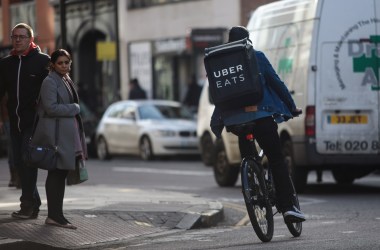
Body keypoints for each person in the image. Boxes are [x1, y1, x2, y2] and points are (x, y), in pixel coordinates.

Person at [210, 26, 305, 223]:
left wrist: (219, 122)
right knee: (276, 160)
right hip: (261, 117)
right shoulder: (256, 56)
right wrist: (291, 106)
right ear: (247, 40)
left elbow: (219, 95)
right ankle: (288, 208)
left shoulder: (220, 64)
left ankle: (254, 189)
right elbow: (276, 83)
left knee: (249, 155)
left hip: (236, 123)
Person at [32, 49, 87, 229]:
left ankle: (57, 215)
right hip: (55, 136)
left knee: (61, 173)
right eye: (60, 63)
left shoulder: (66, 79)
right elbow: (51, 108)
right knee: (56, 173)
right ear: (53, 65)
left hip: (66, 134)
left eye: (67, 62)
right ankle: (54, 216)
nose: (64, 65)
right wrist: (74, 108)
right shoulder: (50, 81)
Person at [0, 23, 50, 219]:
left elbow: (51, 91)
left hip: (34, 122)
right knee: (21, 162)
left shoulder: (43, 61)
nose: (18, 40)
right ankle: (33, 203)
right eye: (15, 37)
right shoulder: (5, 64)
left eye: (22, 36)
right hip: (14, 122)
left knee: (28, 160)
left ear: (31, 39)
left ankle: (27, 206)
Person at [0, 95, 20, 188]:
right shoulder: (6, 82)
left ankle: (19, 176)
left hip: (20, 117)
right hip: (8, 118)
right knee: (12, 145)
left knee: (18, 145)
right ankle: (14, 175)